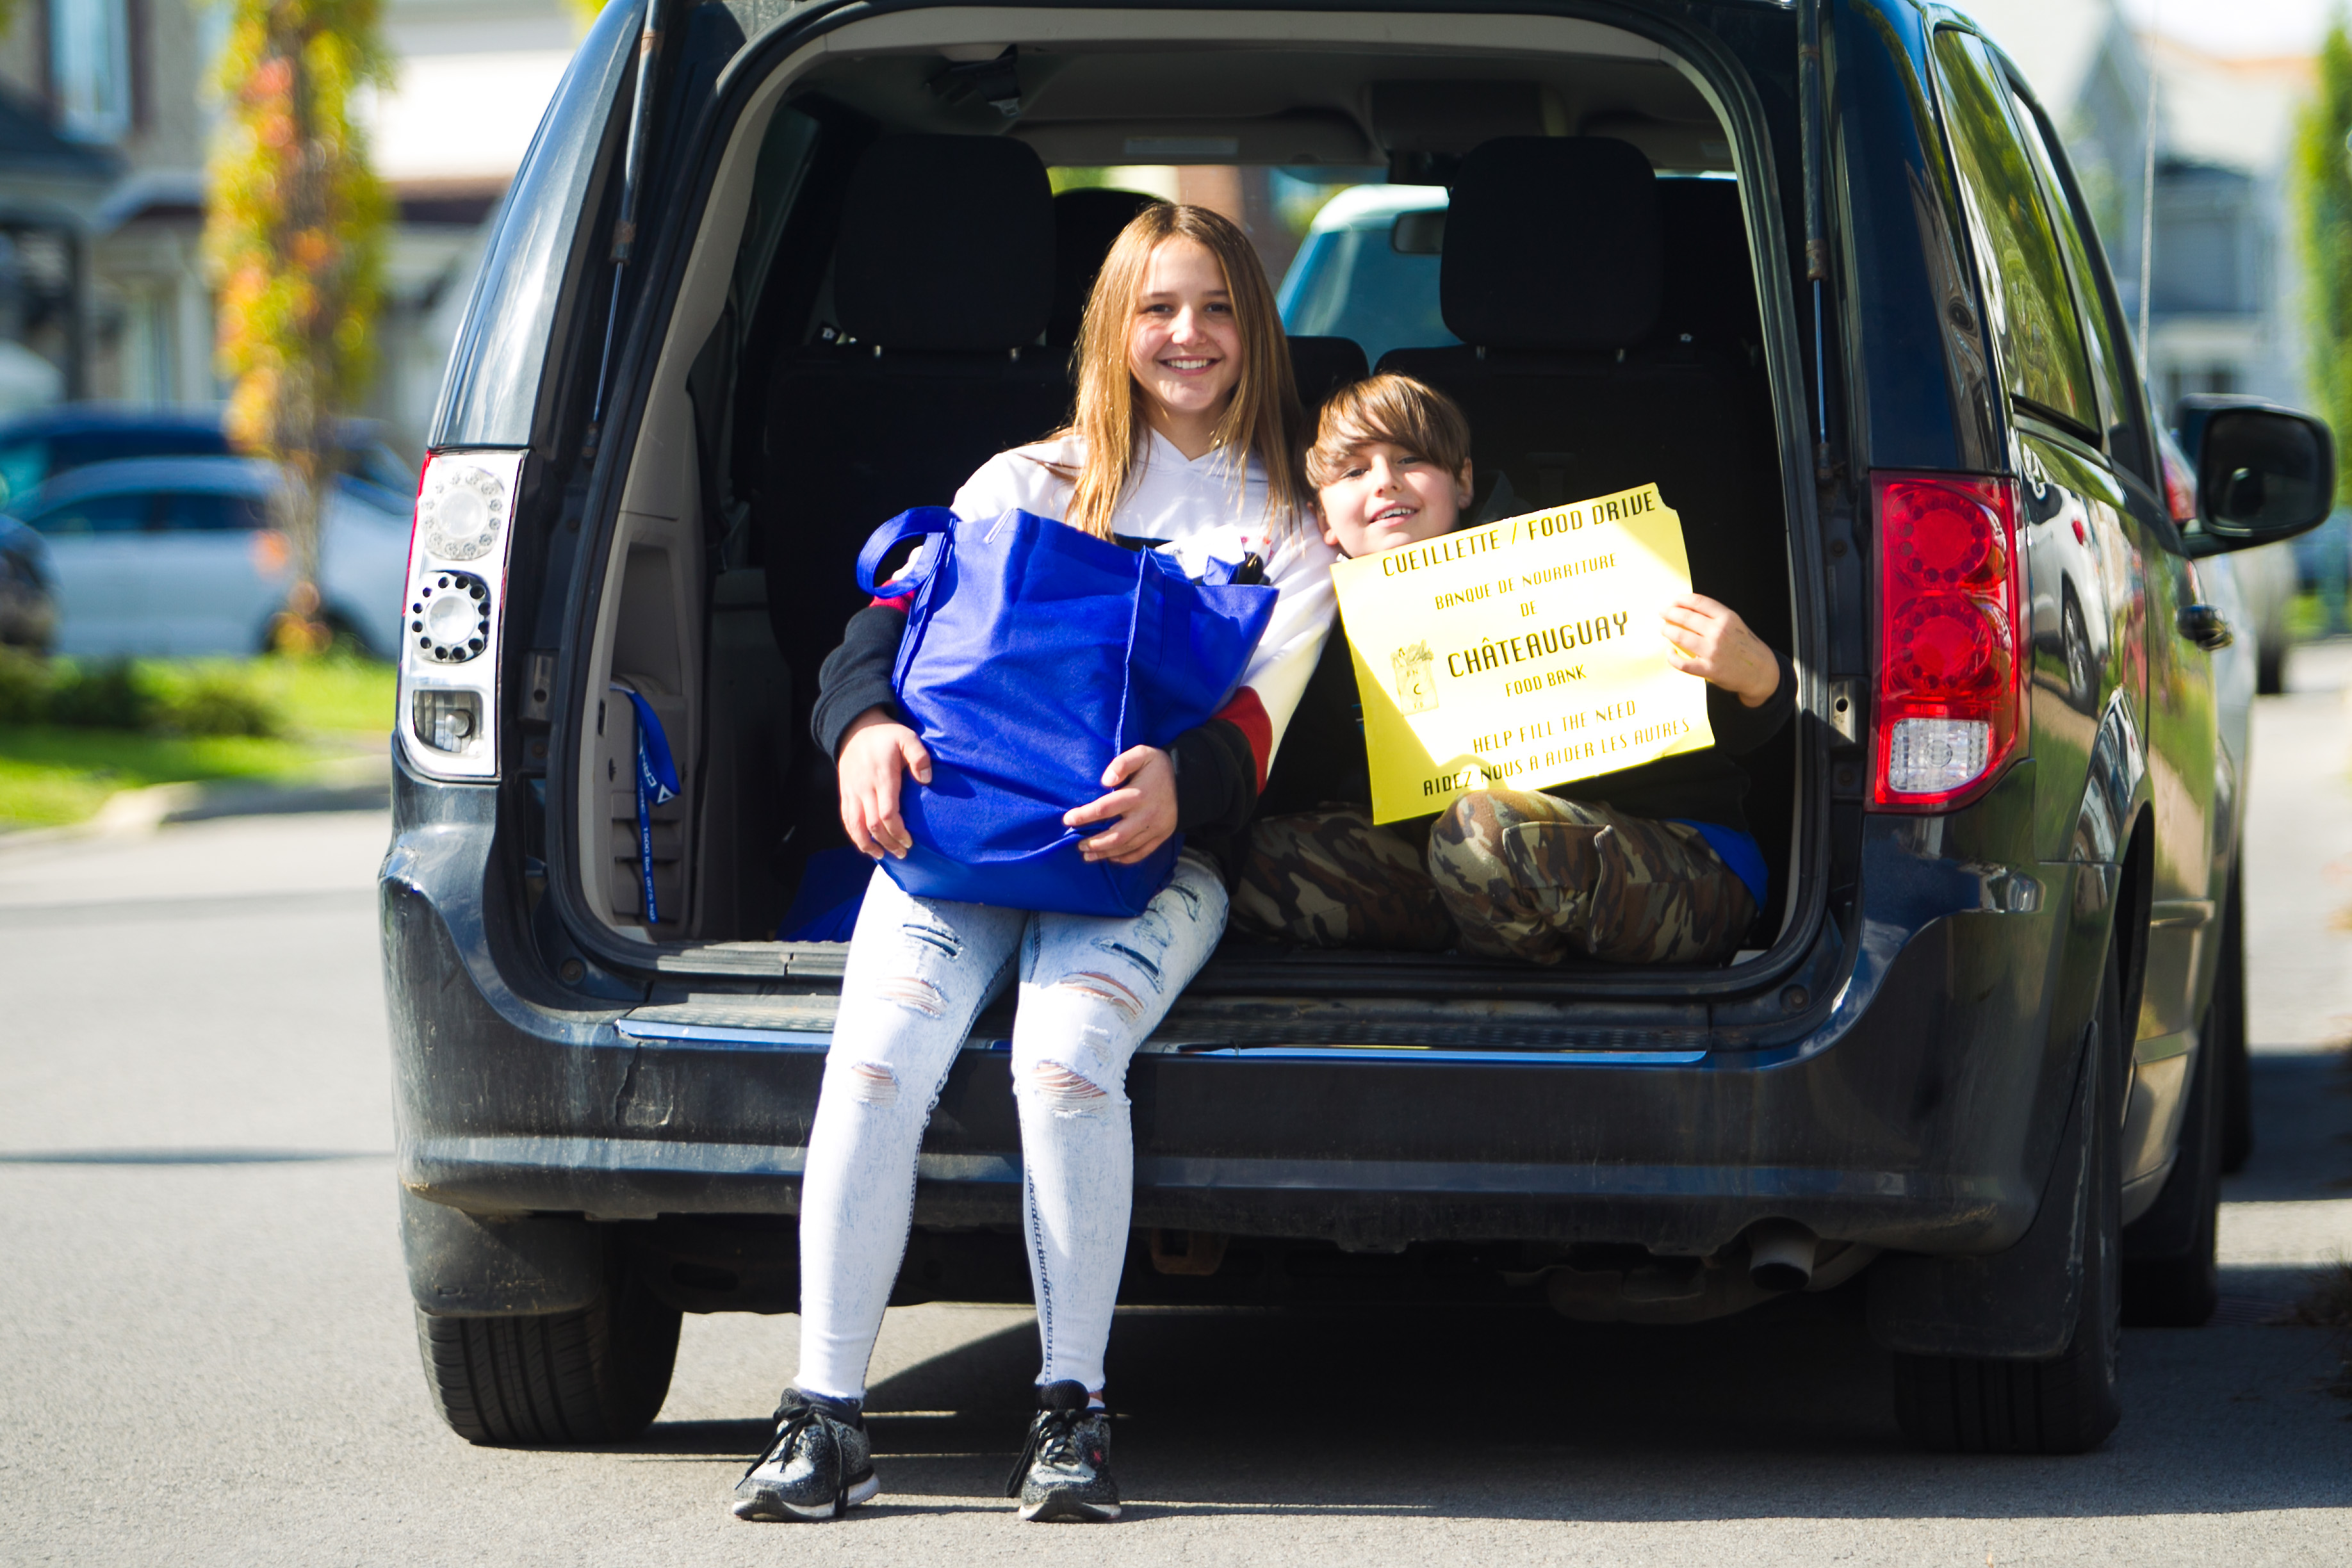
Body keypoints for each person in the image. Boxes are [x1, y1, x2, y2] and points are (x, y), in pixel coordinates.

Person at [732, 204, 1336, 1526]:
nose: (1188, 335)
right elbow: (877, 638)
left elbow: (1262, 721)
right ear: (1112, 329)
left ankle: (1074, 1416)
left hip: (1148, 855)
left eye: (1220, 308)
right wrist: (868, 732)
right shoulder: (1019, 483)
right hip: (963, 844)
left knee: (1063, 1064)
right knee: (879, 1056)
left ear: (1258, 331)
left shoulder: (1293, 521)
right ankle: (824, 1416)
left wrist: (1182, 789)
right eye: (1159, 307)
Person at [1232, 373, 1791, 966]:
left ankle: (1536, 1017)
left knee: (1478, 835)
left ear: (1464, 480)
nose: (1385, 482)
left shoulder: (1576, 562)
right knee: (1242, 865)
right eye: (1353, 472)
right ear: (1322, 518)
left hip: (1680, 858)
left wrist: (1760, 679)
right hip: (1466, 869)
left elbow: (1735, 727)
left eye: (1410, 458)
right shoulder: (1321, 622)